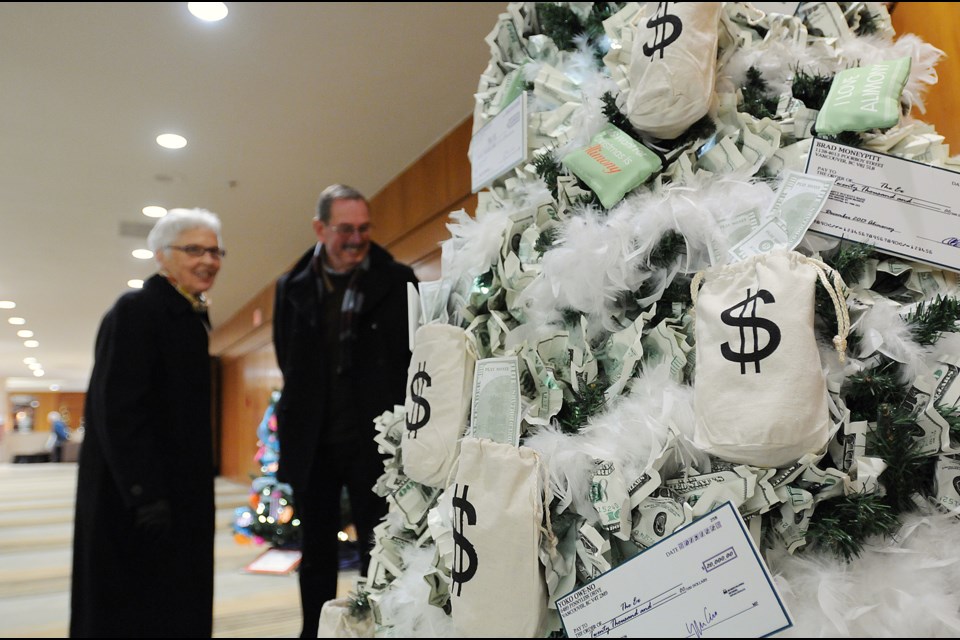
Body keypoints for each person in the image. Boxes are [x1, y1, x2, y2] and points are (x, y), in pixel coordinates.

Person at [70, 208, 225, 637]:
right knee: (132, 607)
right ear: (161, 255)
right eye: (194, 249)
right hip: (137, 499)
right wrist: (145, 494)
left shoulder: (189, 317)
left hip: (176, 492)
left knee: (175, 600)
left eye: (215, 251)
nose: (208, 261)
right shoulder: (137, 310)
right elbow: (117, 409)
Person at [273, 184, 418, 637]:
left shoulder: (396, 281)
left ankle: (380, 628)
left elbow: (410, 357)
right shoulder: (292, 287)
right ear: (320, 228)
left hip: (373, 438)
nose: (356, 239)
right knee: (317, 552)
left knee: (381, 545)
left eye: (364, 228)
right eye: (345, 229)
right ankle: (314, 632)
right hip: (313, 440)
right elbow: (287, 360)